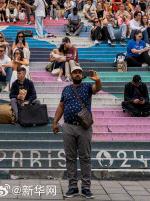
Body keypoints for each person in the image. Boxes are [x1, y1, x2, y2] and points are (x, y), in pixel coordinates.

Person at [53, 64, 102, 199]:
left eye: (79, 73)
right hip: (68, 126)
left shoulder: (87, 87)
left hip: (83, 128)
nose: (77, 75)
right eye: (75, 73)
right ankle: (72, 187)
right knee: (70, 158)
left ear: (82, 75)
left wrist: (97, 80)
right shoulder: (67, 89)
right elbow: (61, 106)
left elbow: (97, 89)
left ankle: (86, 188)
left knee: (85, 158)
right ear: (71, 75)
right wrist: (55, 122)